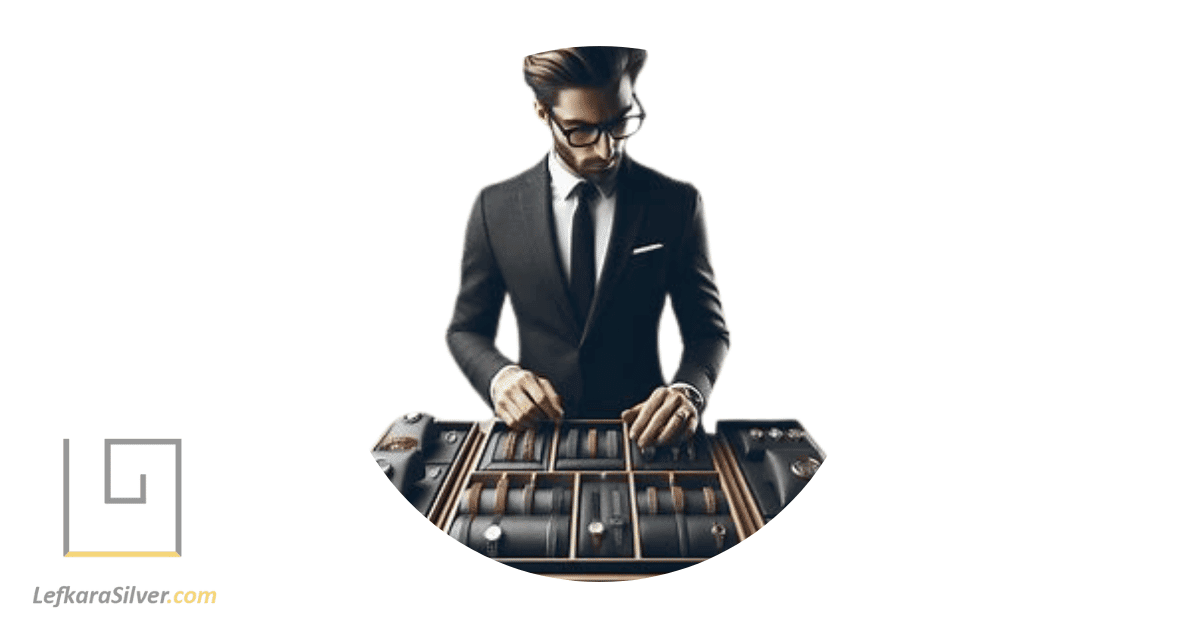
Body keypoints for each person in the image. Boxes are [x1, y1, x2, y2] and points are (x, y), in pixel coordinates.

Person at [446, 46, 729, 448]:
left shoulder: (677, 205)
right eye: (580, 130)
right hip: (536, 443)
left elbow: (707, 332)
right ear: (543, 113)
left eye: (619, 122)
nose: (605, 149)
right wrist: (500, 378)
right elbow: (466, 330)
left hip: (647, 440)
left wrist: (688, 393)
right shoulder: (495, 208)